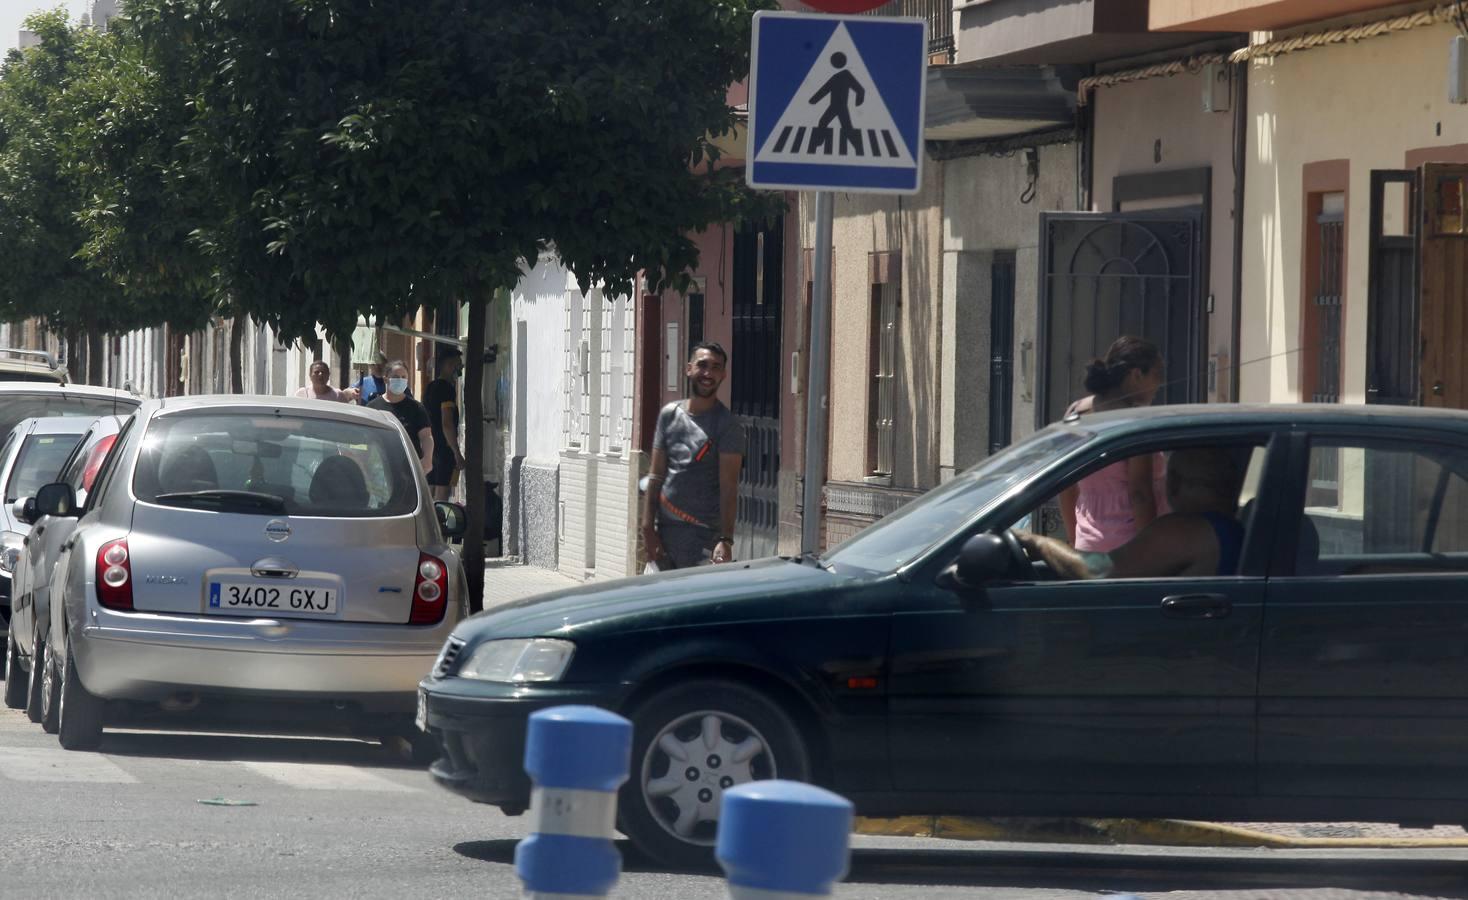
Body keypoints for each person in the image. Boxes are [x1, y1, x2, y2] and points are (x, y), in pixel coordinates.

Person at [1019, 447, 1245, 580]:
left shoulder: (1185, 530)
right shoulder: (1234, 529)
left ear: (1175, 483)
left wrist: (1038, 543)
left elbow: (1102, 571)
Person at [642, 342, 746, 569]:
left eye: (716, 367)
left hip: (703, 541)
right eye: (702, 365)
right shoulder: (669, 415)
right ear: (689, 369)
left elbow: (728, 488)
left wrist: (725, 539)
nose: (708, 373)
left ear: (723, 375)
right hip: (664, 537)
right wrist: (648, 528)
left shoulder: (728, 426)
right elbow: (656, 476)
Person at [1058, 336, 1166, 552]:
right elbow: (1140, 493)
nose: (1160, 383)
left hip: (1087, 542)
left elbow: (1066, 485)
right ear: (1136, 374)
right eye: (1157, 374)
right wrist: (1151, 551)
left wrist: (1073, 538)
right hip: (1130, 546)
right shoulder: (1136, 420)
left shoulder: (1076, 411)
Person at [368, 360, 434, 472]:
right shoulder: (373, 407)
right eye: (396, 377)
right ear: (385, 379)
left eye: (403, 377)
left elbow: (426, 436)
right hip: (379, 468)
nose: (400, 380)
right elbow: (366, 438)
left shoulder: (416, 408)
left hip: (410, 468)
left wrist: (427, 459)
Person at [424, 349, 465, 501]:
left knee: (430, 491)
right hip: (444, 450)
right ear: (448, 365)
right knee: (443, 494)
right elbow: (447, 423)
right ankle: (440, 524)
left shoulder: (430, 387)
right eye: (458, 366)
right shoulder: (447, 389)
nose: (460, 369)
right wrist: (456, 452)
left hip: (430, 448)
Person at [294, 360, 360, 403]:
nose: (320, 374)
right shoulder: (301, 394)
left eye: (323, 372)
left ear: (328, 375)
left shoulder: (337, 395)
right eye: (316, 372)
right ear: (310, 375)